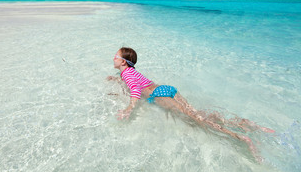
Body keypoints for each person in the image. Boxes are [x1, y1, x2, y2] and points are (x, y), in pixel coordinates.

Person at [107, 47, 274, 162]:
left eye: (116, 56)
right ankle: (243, 124)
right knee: (197, 114)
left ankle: (240, 137)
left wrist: (129, 109)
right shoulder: (131, 72)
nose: (113, 57)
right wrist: (116, 79)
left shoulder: (127, 75)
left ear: (123, 62)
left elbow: (135, 90)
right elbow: (134, 81)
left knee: (198, 121)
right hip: (166, 89)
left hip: (159, 96)